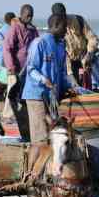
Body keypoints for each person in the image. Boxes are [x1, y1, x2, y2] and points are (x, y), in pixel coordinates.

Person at [22, 14, 75, 144]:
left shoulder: (61, 46)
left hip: (52, 97)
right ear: (56, 25)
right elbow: (30, 68)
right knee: (41, 135)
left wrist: (69, 87)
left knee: (53, 134)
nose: (66, 31)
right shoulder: (39, 43)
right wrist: (43, 79)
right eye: (64, 27)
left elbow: (61, 72)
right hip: (37, 96)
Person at [3, 4, 39, 142]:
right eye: (27, 15)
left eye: (31, 15)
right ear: (22, 14)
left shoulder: (32, 29)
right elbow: (7, 48)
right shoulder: (15, 28)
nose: (29, 18)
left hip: (29, 69)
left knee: (24, 95)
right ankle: (8, 119)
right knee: (13, 94)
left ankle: (25, 118)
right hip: (16, 69)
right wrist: (11, 66)